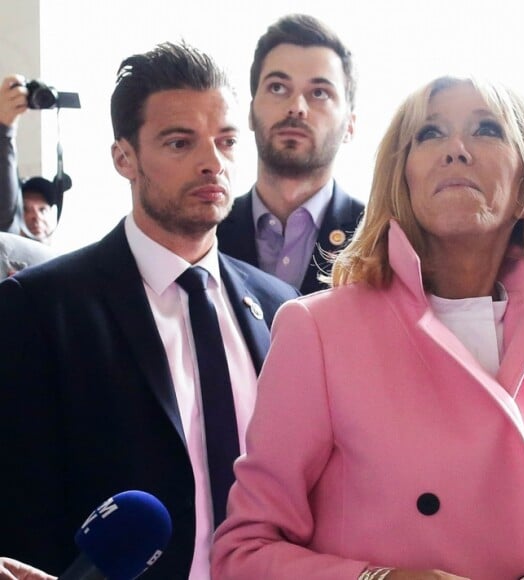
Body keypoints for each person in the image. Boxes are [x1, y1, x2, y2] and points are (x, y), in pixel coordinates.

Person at [211, 76, 524, 579]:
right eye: (430, 134)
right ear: (401, 178)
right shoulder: (318, 331)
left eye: (486, 129)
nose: (455, 150)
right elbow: (243, 553)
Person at [0, 42, 298, 580]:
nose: (213, 162)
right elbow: (19, 500)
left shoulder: (283, 308)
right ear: (124, 158)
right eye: (180, 142)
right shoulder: (41, 309)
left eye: (227, 141)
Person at [217, 14, 364, 294]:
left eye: (319, 93)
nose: (296, 107)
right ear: (249, 112)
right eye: (277, 87)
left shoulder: (381, 239)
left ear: (350, 126)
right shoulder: (205, 230)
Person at [0, 75, 60, 244]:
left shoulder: (70, 266)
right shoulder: (8, 261)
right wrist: (5, 129)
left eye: (42, 210)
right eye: (25, 209)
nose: (36, 217)